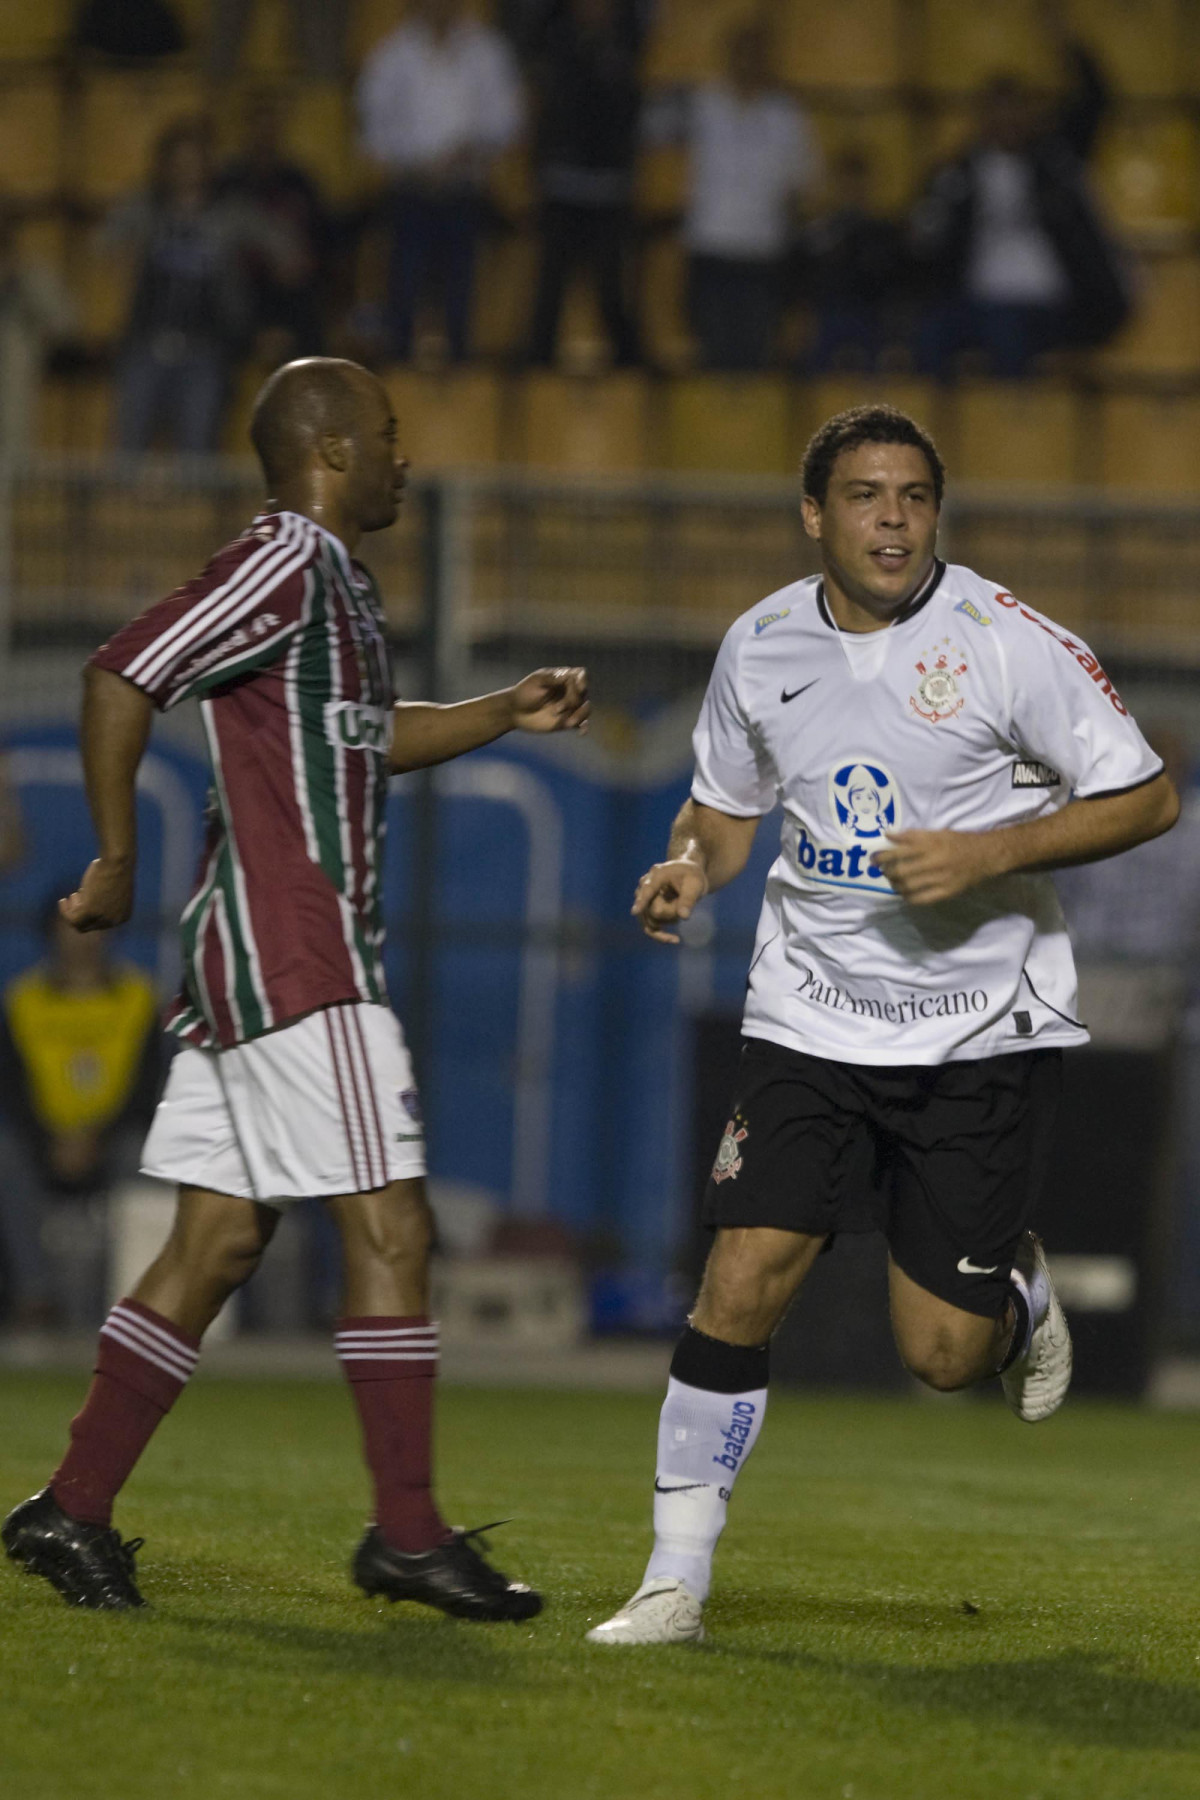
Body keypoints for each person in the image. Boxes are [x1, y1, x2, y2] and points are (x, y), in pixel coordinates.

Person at [2, 356, 589, 1615]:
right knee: (393, 1227)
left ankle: (71, 1508)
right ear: (329, 451)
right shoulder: (281, 560)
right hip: (296, 954)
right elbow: (121, 670)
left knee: (215, 1241)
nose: (404, 456)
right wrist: (115, 857)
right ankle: (409, 1534)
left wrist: (500, 709)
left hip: (256, 958)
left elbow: (368, 740)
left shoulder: (339, 588)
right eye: (385, 433)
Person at [585, 404, 1178, 1646]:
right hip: (808, 1016)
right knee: (739, 1283)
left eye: (913, 495)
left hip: (976, 1031)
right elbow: (727, 808)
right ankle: (675, 1581)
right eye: (865, 495)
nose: (893, 517)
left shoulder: (1009, 643)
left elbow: (1147, 794)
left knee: (944, 1359)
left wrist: (988, 851)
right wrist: (692, 867)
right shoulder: (759, 644)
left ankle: (1010, 1292)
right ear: (816, 515)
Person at [910, 4, 1127, 378]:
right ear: (982, 117)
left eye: (1015, 110)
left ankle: (1011, 430)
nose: (1006, 120)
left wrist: (1061, 35)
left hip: (1047, 305)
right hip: (975, 303)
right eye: (996, 110)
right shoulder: (958, 174)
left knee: (1006, 332)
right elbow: (924, 238)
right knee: (929, 333)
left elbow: (1097, 98)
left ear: (1028, 114)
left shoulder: (1054, 160)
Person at [0, 898, 160, 1330]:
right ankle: (36, 1297)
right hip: (43, 1144)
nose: (83, 941)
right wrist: (51, 1141)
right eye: (71, 928)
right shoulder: (22, 1000)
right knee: (4, 1155)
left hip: (113, 1142)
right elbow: (12, 1091)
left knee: (142, 1154)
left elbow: (147, 1090)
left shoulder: (139, 997)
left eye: (94, 928)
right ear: (50, 934)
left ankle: (133, 1297)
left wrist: (97, 1138)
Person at [105, 117, 294, 453]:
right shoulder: (144, 208)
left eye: (193, 162)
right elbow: (102, 247)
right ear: (164, 165)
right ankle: (120, 505)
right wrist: (124, 257)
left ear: (208, 166)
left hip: (205, 348)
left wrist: (258, 275)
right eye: (178, 163)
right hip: (146, 342)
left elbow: (285, 250)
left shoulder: (229, 213)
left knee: (197, 453)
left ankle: (194, 506)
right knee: (126, 448)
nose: (185, 171)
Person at [356, 0, 524, 363]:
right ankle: (398, 369)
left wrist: (468, 150)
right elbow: (374, 129)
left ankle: (460, 376)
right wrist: (416, 163)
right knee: (404, 285)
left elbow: (506, 120)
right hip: (410, 190)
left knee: (460, 293)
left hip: (466, 189)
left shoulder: (487, 50)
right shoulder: (392, 54)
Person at [648, 20, 820, 370]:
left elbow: (804, 182)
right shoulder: (702, 105)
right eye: (741, 54)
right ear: (727, 57)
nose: (748, 62)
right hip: (709, 248)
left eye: (756, 55)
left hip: (762, 253)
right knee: (712, 359)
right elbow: (650, 128)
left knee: (755, 361)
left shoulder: (785, 115)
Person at [526, 0, 643, 368]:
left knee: (612, 293)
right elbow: (549, 115)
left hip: (608, 188)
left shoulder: (628, 46)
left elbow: (627, 116)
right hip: (562, 184)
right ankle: (537, 377)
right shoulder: (552, 43)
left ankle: (628, 373)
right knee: (550, 294)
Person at [215, 88, 331, 359]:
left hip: (291, 287)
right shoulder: (228, 182)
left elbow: (322, 236)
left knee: (308, 315)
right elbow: (214, 237)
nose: (264, 135)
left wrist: (304, 263)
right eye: (258, 126)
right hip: (241, 284)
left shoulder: (298, 181)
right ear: (246, 129)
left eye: (271, 127)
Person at [796, 148, 907, 374]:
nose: (853, 191)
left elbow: (896, 286)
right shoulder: (819, 233)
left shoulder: (884, 231)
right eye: (846, 184)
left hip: (872, 318)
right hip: (827, 315)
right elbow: (801, 282)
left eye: (859, 183)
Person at [0, 200, 77, 462]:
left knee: (16, 350)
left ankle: (7, 491)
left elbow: (66, 324)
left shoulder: (31, 274)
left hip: (14, 368)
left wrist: (19, 282)